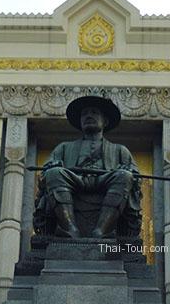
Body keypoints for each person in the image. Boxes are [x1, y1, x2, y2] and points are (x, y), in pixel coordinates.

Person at [41, 96, 139, 238]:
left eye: (94, 112)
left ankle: (102, 230)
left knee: (125, 176)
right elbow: (46, 171)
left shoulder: (119, 150)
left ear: (105, 121)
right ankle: (70, 228)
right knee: (54, 173)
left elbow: (135, 175)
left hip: (104, 180)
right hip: (75, 180)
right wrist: (52, 166)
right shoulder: (63, 147)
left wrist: (129, 171)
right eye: (84, 114)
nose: (88, 116)